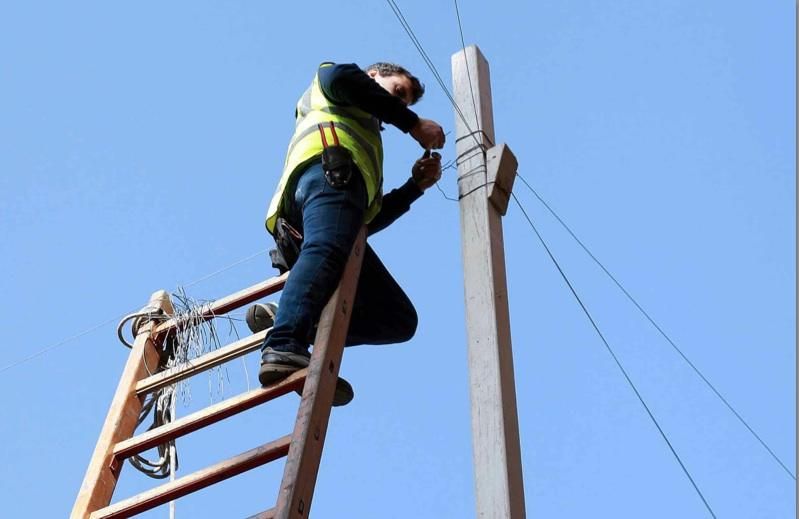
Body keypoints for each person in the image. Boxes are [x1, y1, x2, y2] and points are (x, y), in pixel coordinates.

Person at [249, 61, 445, 405]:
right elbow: (339, 77)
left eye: (407, 103)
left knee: (398, 319)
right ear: (373, 76)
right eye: (398, 92)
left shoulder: (366, 135)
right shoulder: (337, 82)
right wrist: (413, 125)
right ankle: (284, 343)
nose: (400, 105)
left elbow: (361, 224)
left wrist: (414, 187)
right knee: (326, 249)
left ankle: (293, 323)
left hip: (333, 209)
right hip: (325, 179)